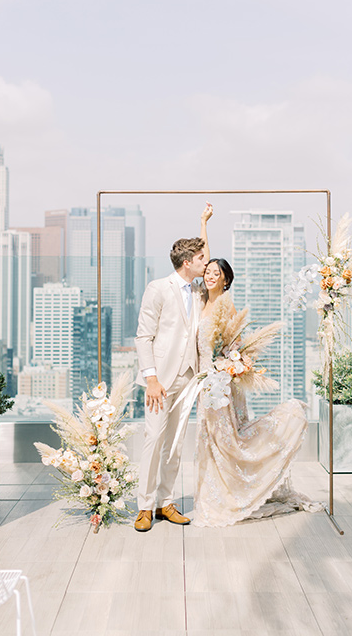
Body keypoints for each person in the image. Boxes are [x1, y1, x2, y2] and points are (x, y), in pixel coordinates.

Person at [191, 257, 323, 527]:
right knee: (210, 439)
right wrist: (204, 223)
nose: (210, 276)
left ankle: (235, 494)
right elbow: (204, 254)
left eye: (217, 273)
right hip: (205, 384)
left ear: (226, 279)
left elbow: (235, 345)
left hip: (220, 384)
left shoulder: (226, 304)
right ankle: (216, 494)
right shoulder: (202, 300)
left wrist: (226, 366)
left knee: (228, 441)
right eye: (208, 272)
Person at [133, 204, 213, 532]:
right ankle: (144, 506)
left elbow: (210, 255)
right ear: (186, 262)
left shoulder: (198, 289)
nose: (206, 264)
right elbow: (143, 337)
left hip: (189, 379)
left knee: (176, 444)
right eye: (200, 260)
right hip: (161, 381)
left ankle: (166, 502)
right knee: (153, 440)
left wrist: (203, 223)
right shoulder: (158, 288)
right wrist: (151, 379)